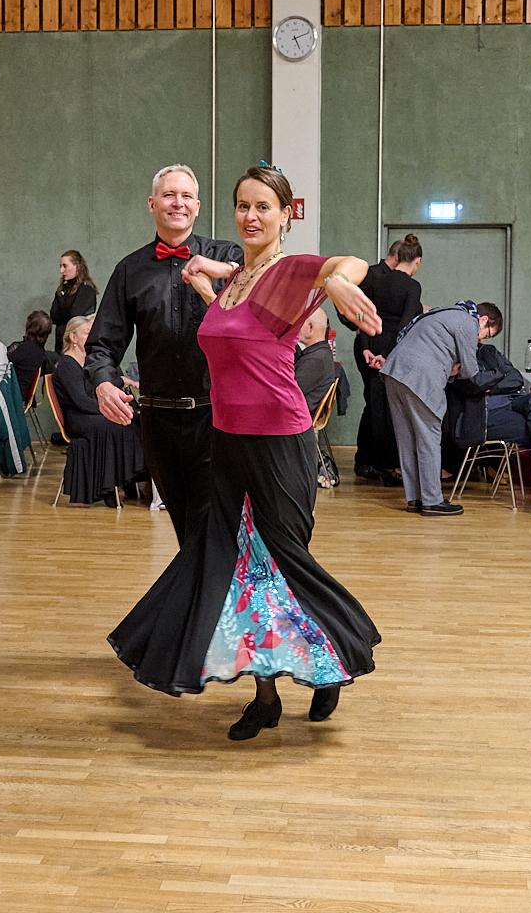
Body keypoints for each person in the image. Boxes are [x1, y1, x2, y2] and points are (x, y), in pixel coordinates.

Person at [107, 163, 382, 741]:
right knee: (236, 566)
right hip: (226, 438)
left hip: (280, 440)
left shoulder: (288, 272)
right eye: (243, 206)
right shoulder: (238, 280)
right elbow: (231, 328)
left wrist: (336, 281)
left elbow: (344, 263)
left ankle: (333, 655)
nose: (251, 216)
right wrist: (203, 278)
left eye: (264, 207)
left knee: (282, 562)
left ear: (287, 214)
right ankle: (265, 697)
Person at [85, 164, 242, 544]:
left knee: (215, 527)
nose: (178, 203)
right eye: (170, 195)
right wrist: (103, 384)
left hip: (215, 417)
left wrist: (220, 272)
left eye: (187, 196)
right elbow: (102, 344)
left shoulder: (227, 256)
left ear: (199, 206)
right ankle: (198, 600)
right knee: (186, 530)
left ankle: (204, 601)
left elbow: (253, 292)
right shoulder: (130, 270)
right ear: (152, 204)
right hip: (158, 421)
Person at [382, 301, 503, 516]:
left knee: (407, 438)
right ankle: (432, 500)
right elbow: (470, 371)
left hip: (395, 371)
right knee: (428, 437)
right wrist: (457, 369)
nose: (481, 339)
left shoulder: (446, 312)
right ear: (483, 320)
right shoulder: (468, 322)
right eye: (486, 334)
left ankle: (415, 498)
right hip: (421, 377)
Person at [445, 342, 531, 515]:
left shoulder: (488, 350)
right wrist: (498, 376)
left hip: (511, 402)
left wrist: (489, 383)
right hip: (482, 417)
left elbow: (515, 378)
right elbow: (473, 384)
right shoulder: (457, 355)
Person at [354, 234, 424, 485]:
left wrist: (366, 349)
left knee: (374, 406)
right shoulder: (412, 287)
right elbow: (405, 324)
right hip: (392, 349)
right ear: (417, 261)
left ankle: (370, 461)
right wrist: (389, 355)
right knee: (391, 409)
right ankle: (390, 465)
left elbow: (362, 316)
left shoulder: (380, 281)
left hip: (370, 344)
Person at [53, 316, 144, 507]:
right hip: (78, 417)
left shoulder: (88, 361)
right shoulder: (67, 364)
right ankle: (110, 486)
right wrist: (110, 409)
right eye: (87, 333)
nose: (92, 337)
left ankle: (129, 479)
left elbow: (109, 383)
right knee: (116, 424)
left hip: (90, 413)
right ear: (73, 337)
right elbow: (81, 401)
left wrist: (122, 386)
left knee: (131, 421)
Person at [335, 240, 402, 479]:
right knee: (375, 403)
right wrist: (358, 326)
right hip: (368, 346)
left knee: (377, 403)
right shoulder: (371, 275)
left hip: (379, 345)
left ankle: (369, 459)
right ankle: (368, 461)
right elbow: (343, 304)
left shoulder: (388, 279)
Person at [50, 251, 98, 354]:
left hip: (77, 346)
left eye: (65, 266)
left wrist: (63, 302)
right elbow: (53, 316)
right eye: (60, 266)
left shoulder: (86, 290)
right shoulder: (63, 289)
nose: (61, 271)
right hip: (61, 344)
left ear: (77, 266)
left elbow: (75, 317)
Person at [294, 308, 336, 415]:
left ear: (310, 327)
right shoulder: (321, 354)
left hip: (295, 420)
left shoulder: (316, 360)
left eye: (300, 322)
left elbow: (287, 392)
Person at [7, 310, 55, 402]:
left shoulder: (24, 350)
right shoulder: (40, 353)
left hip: (13, 398)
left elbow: (2, 363)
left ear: (28, 327)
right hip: (22, 396)